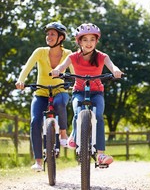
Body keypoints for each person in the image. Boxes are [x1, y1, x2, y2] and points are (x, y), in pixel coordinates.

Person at [51, 23, 123, 166]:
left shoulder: (102, 56)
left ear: (96, 41)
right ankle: (75, 135)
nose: (89, 43)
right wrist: (57, 70)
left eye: (92, 39)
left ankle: (101, 155)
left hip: (97, 93)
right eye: (85, 40)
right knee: (78, 111)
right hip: (79, 91)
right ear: (79, 41)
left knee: (98, 117)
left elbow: (112, 65)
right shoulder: (73, 57)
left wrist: (116, 71)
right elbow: (62, 66)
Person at [15, 22, 72, 171]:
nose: (49, 37)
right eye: (47, 34)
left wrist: (76, 84)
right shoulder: (40, 52)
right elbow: (27, 67)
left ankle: (64, 134)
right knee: (35, 121)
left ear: (61, 37)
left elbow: (75, 72)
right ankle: (38, 161)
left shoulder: (68, 54)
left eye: (52, 34)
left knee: (60, 104)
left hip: (60, 91)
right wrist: (21, 80)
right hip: (41, 93)